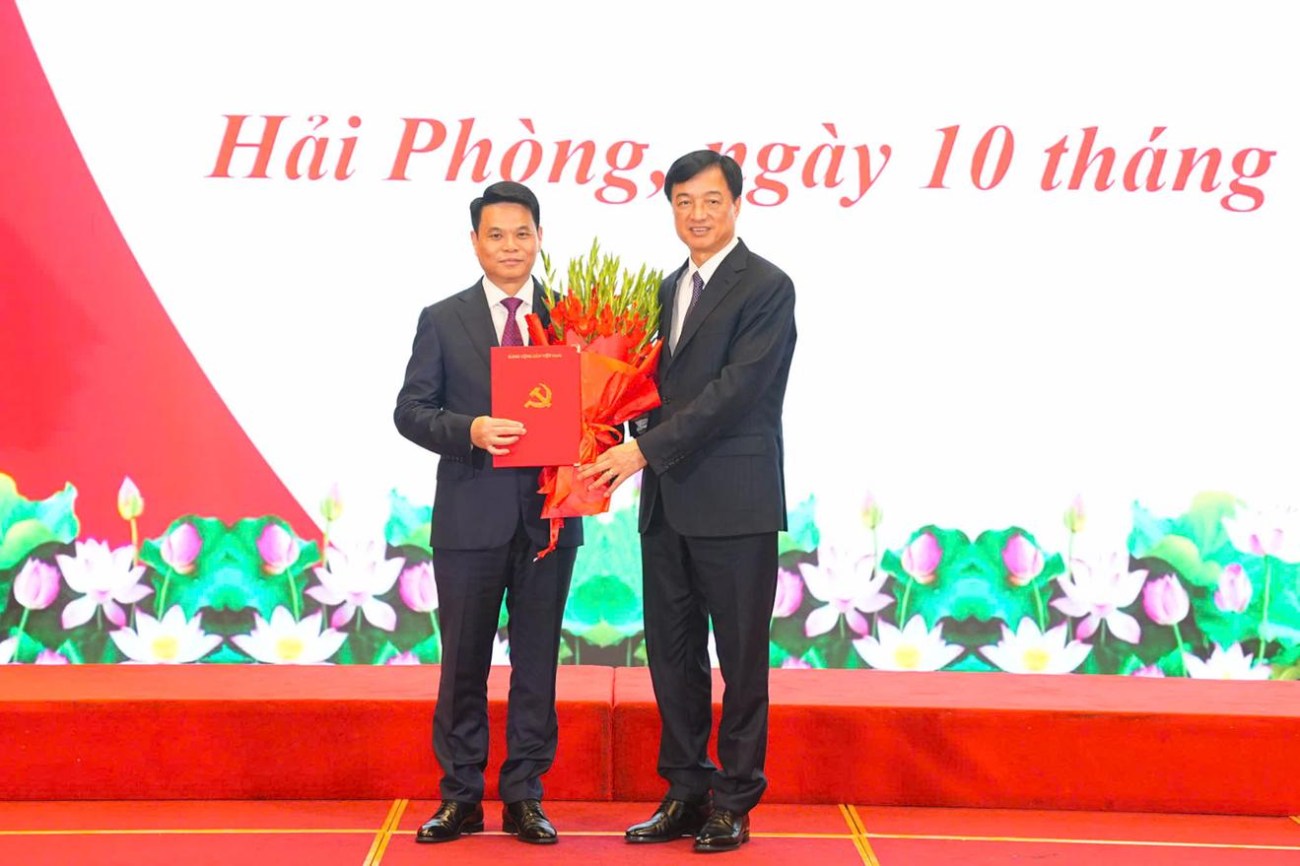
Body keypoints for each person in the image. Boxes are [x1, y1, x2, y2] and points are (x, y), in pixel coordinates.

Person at [579, 150, 797, 853]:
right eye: (683, 202)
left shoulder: (766, 286)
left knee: (739, 658)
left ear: (737, 204)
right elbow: (643, 391)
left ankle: (735, 801)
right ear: (670, 207)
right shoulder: (665, 288)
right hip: (667, 505)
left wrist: (641, 451)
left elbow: (737, 393)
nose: (697, 214)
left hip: (735, 504)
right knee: (673, 657)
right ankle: (685, 790)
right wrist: (596, 430)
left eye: (710, 200)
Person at [394, 180, 582, 846]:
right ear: (475, 241)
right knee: (464, 665)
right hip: (470, 520)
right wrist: (469, 429)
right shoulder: (443, 319)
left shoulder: (572, 319)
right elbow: (410, 411)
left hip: (549, 522)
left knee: (537, 668)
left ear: (539, 238)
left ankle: (525, 796)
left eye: (522, 233)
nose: (510, 246)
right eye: (496, 234)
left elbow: (604, 413)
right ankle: (461, 797)